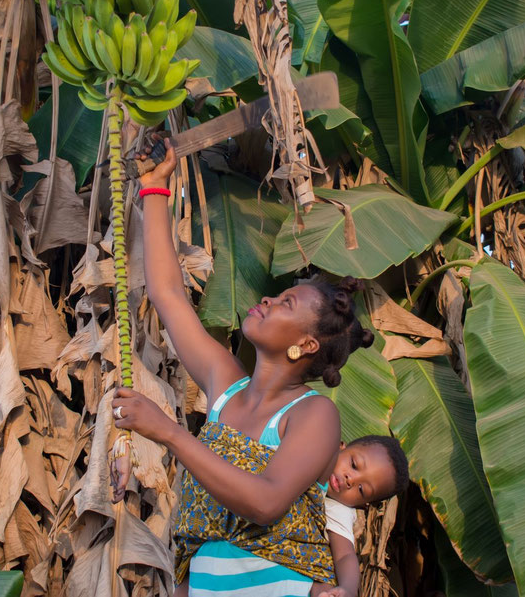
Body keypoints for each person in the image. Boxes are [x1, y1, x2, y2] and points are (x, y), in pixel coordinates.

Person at [110, 138, 375, 596]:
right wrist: (155, 189)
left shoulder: (314, 415)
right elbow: (169, 295)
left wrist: (170, 433)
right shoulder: (226, 384)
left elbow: (267, 502)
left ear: (306, 344)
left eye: (286, 303)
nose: (268, 300)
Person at [310, 435, 411, 597]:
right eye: (354, 465)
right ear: (340, 446)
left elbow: (344, 555)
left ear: (361, 505)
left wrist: (347, 589)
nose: (351, 479)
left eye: (362, 490)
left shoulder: (338, 510)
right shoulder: (303, 450)